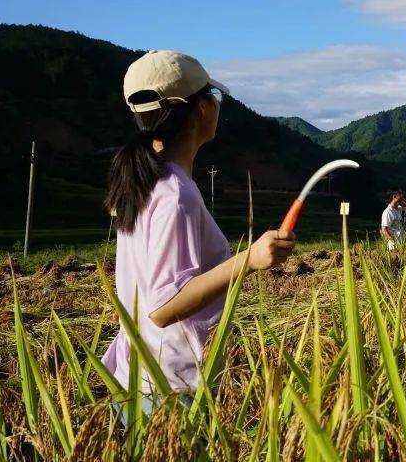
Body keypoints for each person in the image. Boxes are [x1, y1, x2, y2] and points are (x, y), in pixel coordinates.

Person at [102, 50, 297, 416]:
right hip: (169, 391)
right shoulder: (175, 194)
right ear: (202, 108)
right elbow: (162, 306)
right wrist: (249, 259)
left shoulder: (144, 180)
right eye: (213, 96)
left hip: (140, 376)